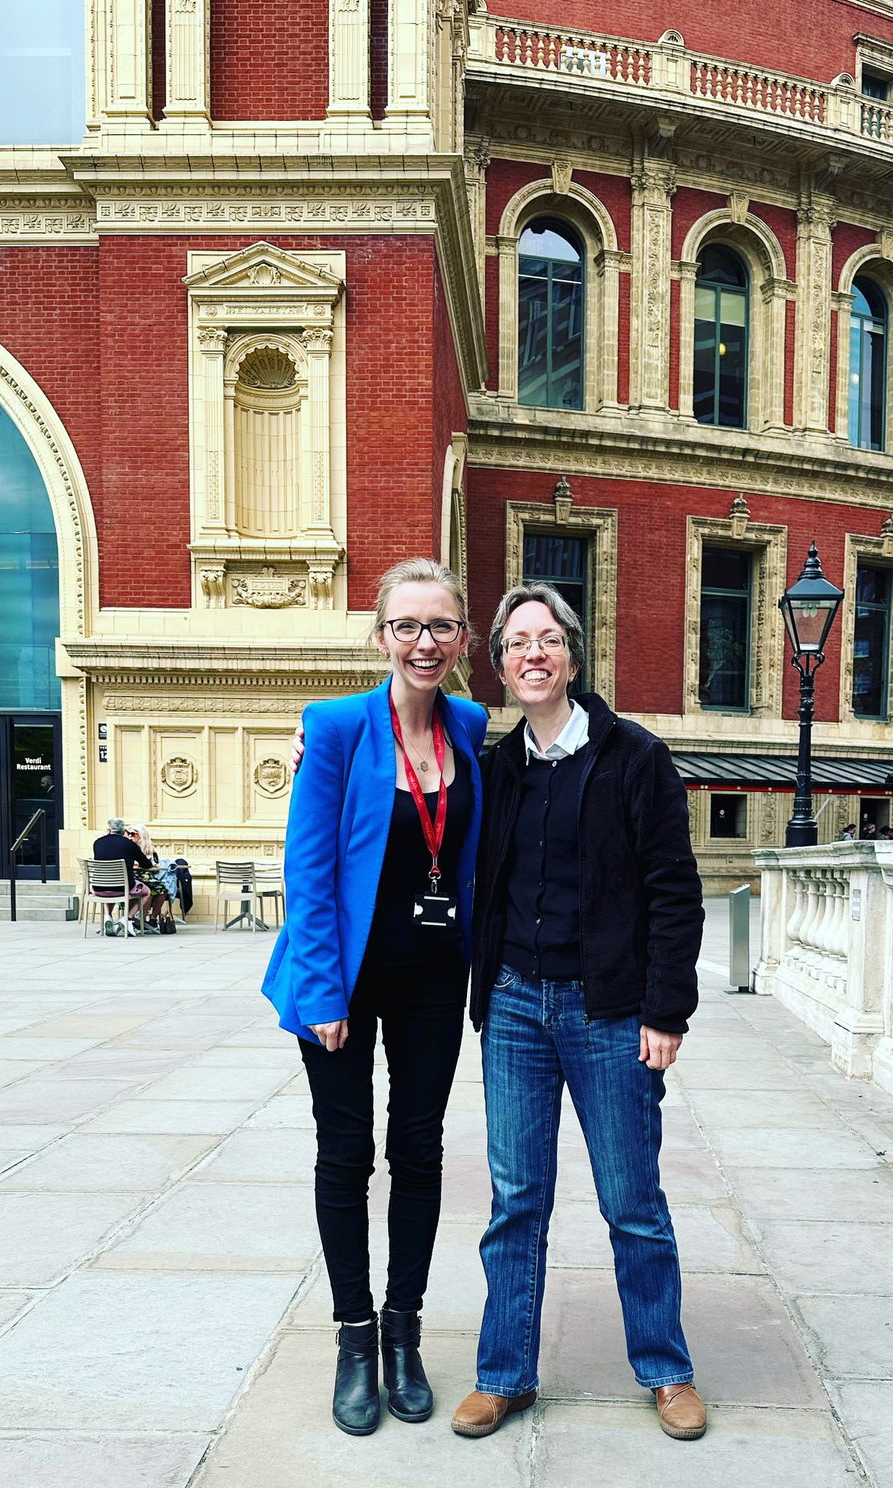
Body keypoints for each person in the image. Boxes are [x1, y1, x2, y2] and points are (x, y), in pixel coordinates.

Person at [449, 583, 707, 1444]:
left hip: (610, 1014)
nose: (532, 654)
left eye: (547, 639)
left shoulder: (634, 757)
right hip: (517, 1006)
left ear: (571, 654)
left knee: (632, 1201)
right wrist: (317, 754)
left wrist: (666, 1011)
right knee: (515, 1202)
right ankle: (504, 1375)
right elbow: (417, 809)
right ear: (499, 662)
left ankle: (667, 1370)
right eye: (516, 642)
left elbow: (675, 891)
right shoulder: (495, 768)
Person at [264, 557, 486, 1438]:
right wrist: (321, 987)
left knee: (421, 1150)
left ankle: (405, 1333)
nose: (424, 643)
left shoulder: (470, 726)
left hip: (436, 975)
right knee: (347, 1154)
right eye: (407, 626)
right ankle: (354, 1339)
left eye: (440, 627)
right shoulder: (336, 727)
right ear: (380, 634)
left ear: (463, 639)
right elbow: (308, 871)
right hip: (344, 983)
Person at [91, 818, 152, 935]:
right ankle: (127, 918)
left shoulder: (98, 843)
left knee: (110, 885)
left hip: (99, 887)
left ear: (109, 829)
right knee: (147, 892)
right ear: (123, 830)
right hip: (123, 888)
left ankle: (108, 916)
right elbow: (147, 865)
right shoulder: (130, 845)